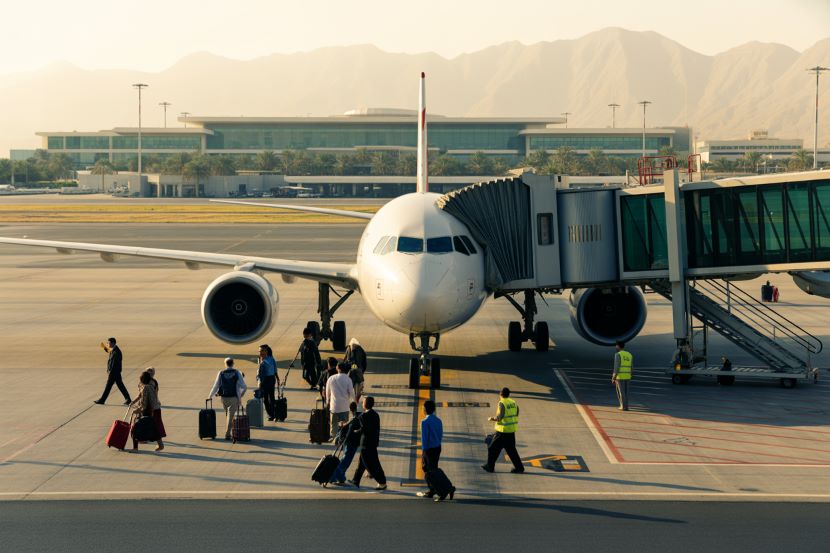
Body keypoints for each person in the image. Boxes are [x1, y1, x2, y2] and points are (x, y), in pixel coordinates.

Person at [347, 396, 387, 490]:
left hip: (365, 444)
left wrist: (356, 431)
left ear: (366, 404)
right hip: (373, 442)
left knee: (371, 464)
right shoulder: (375, 414)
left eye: (363, 402)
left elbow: (363, 429)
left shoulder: (364, 416)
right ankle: (356, 480)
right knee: (362, 462)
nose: (362, 403)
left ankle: (382, 482)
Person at [482, 387, 524, 474]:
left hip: (502, 431)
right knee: (511, 451)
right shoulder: (513, 402)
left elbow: (499, 417)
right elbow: (516, 413)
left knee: (492, 448)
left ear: (500, 394)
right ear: (509, 394)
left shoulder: (502, 403)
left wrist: (491, 418)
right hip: (511, 431)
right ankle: (519, 468)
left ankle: (490, 467)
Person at [207, 357, 248, 440]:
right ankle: (228, 434)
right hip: (234, 398)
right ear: (233, 364)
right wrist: (241, 395)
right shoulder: (237, 372)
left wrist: (210, 396)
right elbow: (244, 386)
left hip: (224, 398)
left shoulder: (221, 373)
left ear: (225, 364)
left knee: (228, 415)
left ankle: (229, 432)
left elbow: (216, 385)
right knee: (230, 416)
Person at [130, 371, 164, 452]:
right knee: (153, 428)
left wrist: (137, 410)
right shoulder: (151, 386)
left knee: (134, 428)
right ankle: (160, 445)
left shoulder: (145, 388)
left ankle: (135, 448)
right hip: (153, 410)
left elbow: (144, 403)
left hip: (147, 412)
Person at [417, 400, 444, 498]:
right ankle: (435, 488)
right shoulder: (438, 420)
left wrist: (424, 451)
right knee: (434, 469)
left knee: (427, 470)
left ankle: (433, 489)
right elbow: (441, 435)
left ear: (425, 409)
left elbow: (424, 438)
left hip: (429, 449)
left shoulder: (424, 422)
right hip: (437, 447)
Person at [330, 401, 361, 485]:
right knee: (345, 461)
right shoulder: (356, 418)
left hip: (349, 443)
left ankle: (337, 477)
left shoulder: (353, 418)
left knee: (345, 460)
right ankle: (336, 477)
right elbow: (350, 432)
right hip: (351, 443)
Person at [94, 337, 132, 405]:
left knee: (108, 386)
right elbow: (109, 351)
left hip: (114, 373)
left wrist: (110, 372)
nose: (108, 344)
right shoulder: (114, 349)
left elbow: (114, 364)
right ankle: (128, 399)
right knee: (120, 386)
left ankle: (102, 400)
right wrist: (104, 348)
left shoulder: (116, 352)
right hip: (115, 373)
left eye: (109, 343)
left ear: (113, 343)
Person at [326, 362, 356, 439]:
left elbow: (327, 392)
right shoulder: (348, 379)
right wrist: (354, 401)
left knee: (333, 424)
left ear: (337, 368)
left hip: (334, 406)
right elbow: (351, 392)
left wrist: (327, 401)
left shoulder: (331, 378)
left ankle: (333, 437)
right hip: (345, 406)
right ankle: (342, 437)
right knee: (344, 424)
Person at [257, 344, 278, 421]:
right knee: (268, 398)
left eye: (262, 351)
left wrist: (260, 383)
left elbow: (274, 369)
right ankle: (272, 414)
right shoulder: (266, 359)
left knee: (268, 399)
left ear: (266, 351)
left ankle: (272, 414)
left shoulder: (267, 360)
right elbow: (274, 369)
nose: (260, 353)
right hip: (268, 379)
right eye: (259, 351)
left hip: (268, 380)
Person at [145, 367, 166, 439]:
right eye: (149, 373)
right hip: (154, 405)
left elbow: (155, 393)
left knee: (153, 421)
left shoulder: (149, 382)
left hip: (152, 405)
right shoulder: (152, 382)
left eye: (151, 373)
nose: (150, 374)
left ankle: (155, 435)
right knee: (156, 421)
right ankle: (157, 435)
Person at [612, 340, 633, 411]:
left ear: (618, 346)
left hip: (620, 376)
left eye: (616, 345)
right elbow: (631, 367)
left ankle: (623, 406)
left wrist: (614, 377)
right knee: (626, 392)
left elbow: (616, 367)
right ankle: (626, 406)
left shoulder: (618, 354)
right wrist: (630, 375)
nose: (615, 347)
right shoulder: (629, 354)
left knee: (621, 392)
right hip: (628, 376)